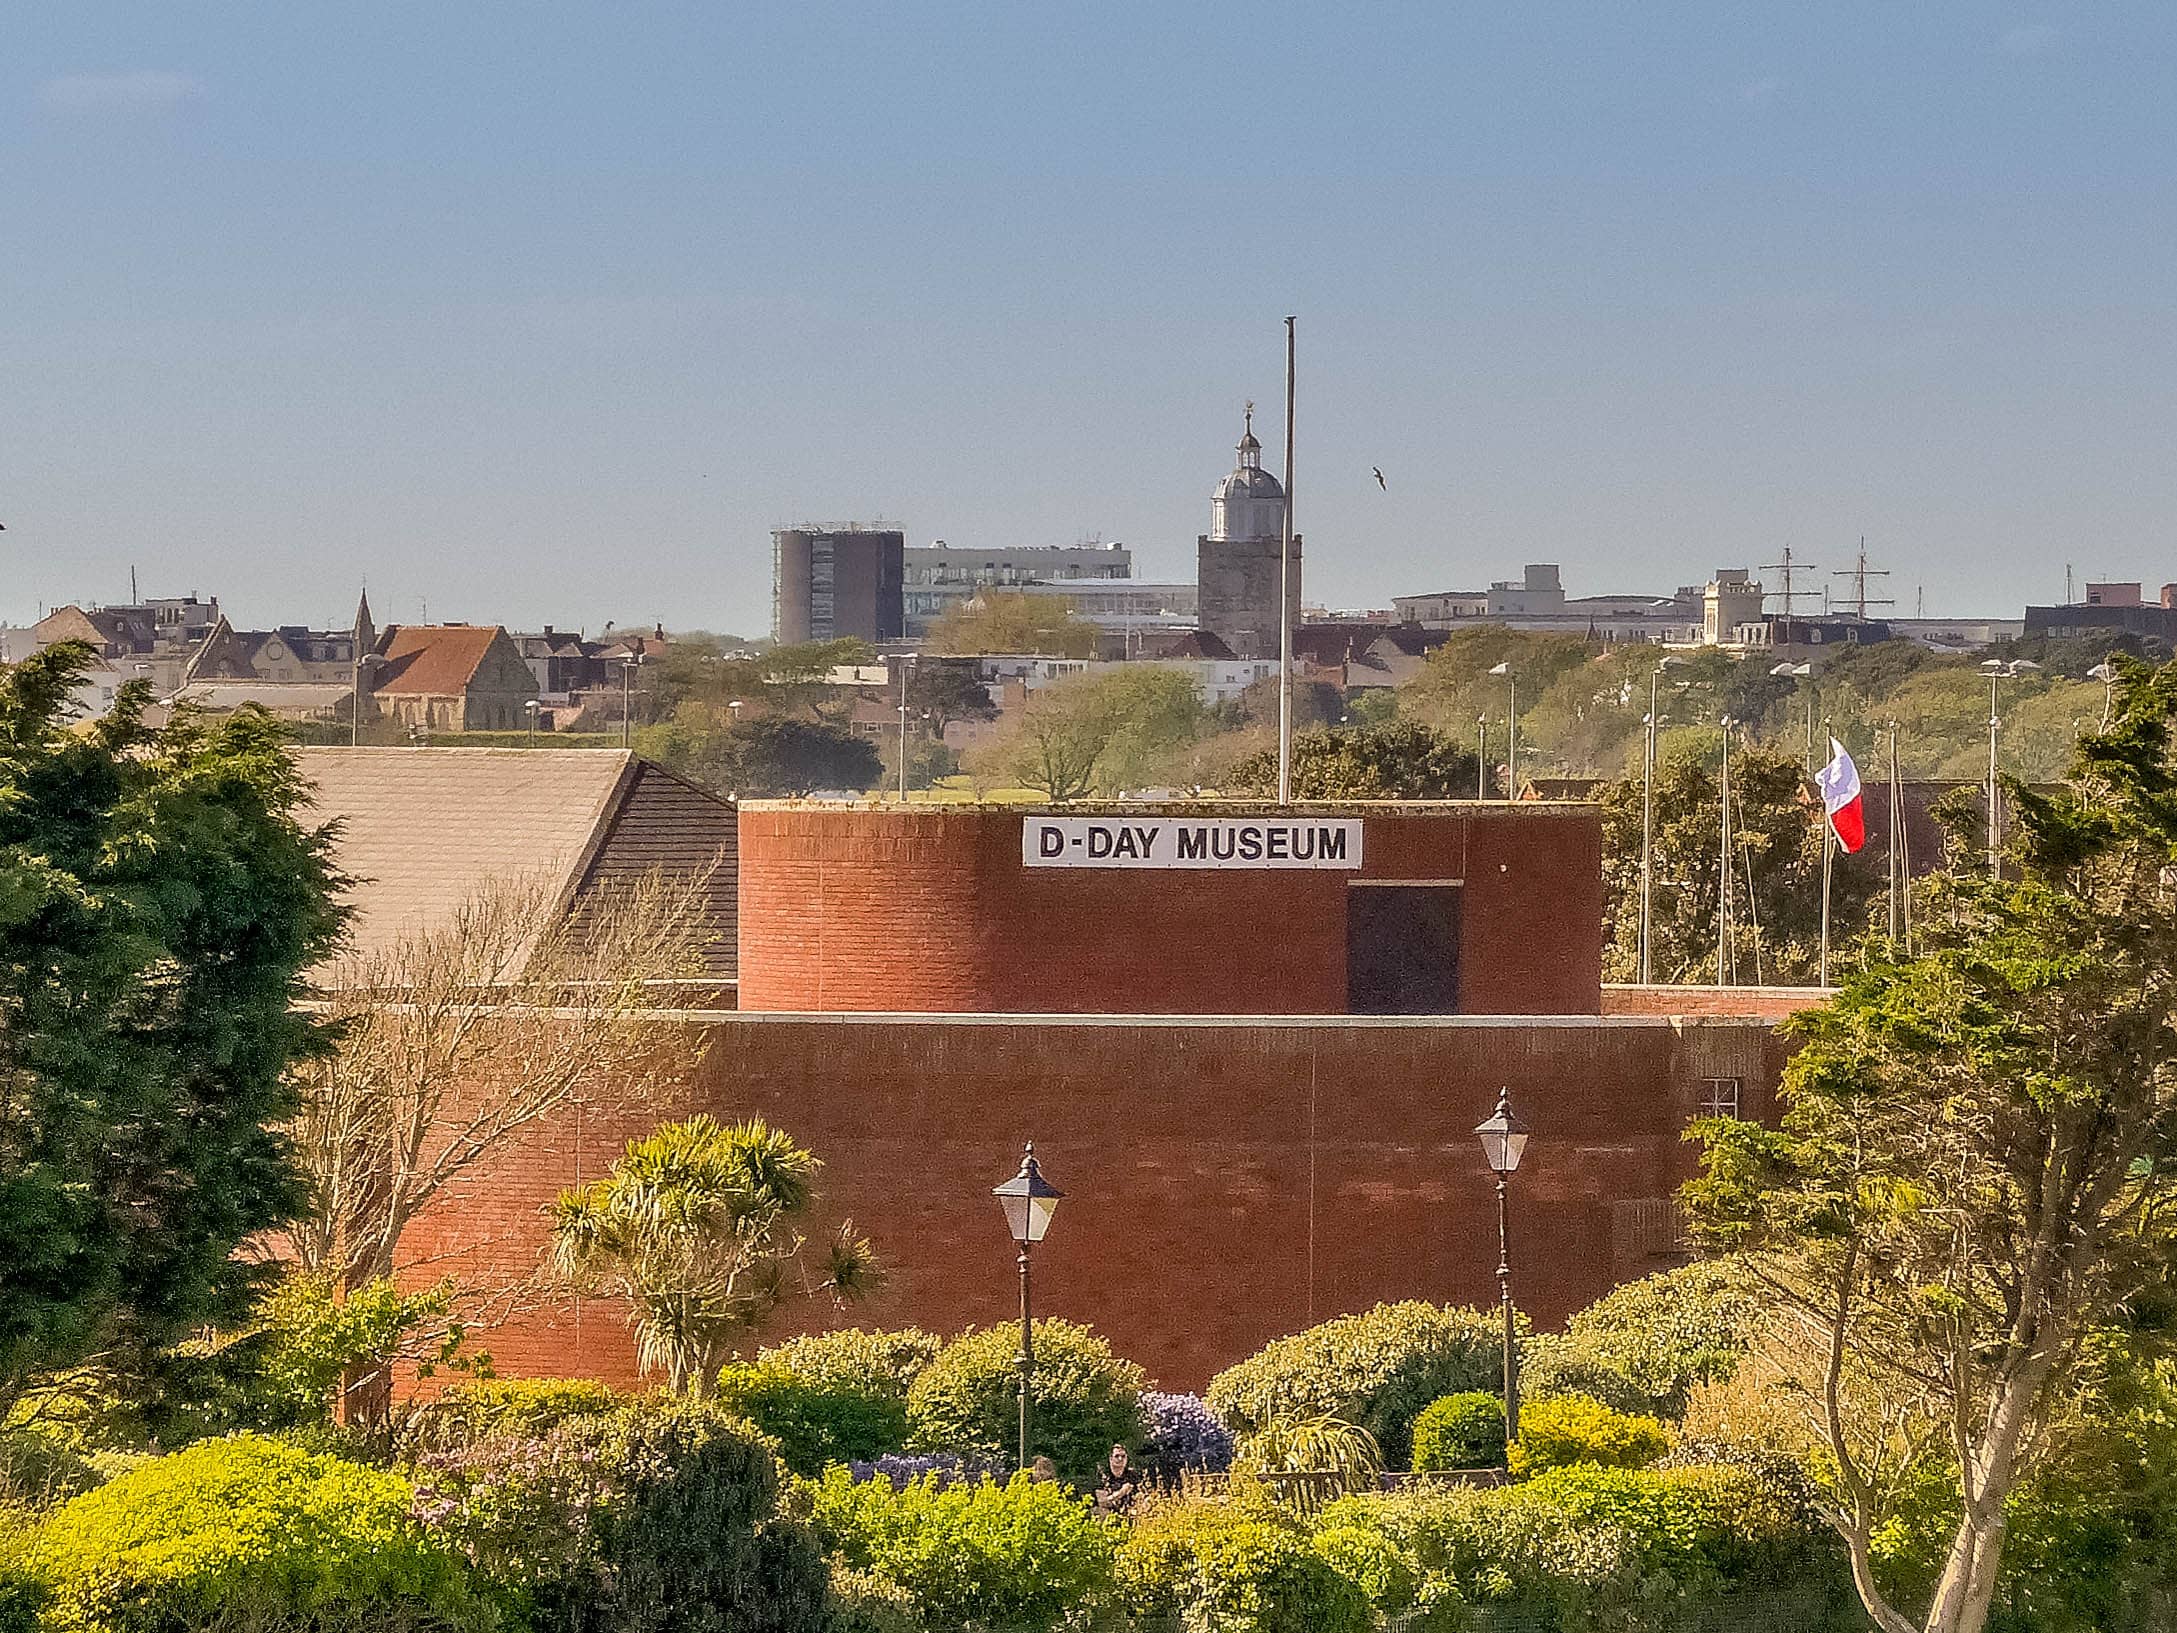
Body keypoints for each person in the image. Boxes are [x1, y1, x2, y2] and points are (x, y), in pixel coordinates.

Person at [1093, 1443, 1138, 1516]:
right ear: (1111, 1458)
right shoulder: (1103, 1474)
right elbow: (1102, 1502)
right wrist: (1122, 1492)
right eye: (1117, 1456)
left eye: (1123, 1456)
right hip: (1108, 1515)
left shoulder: (1132, 1475)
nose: (1120, 1459)